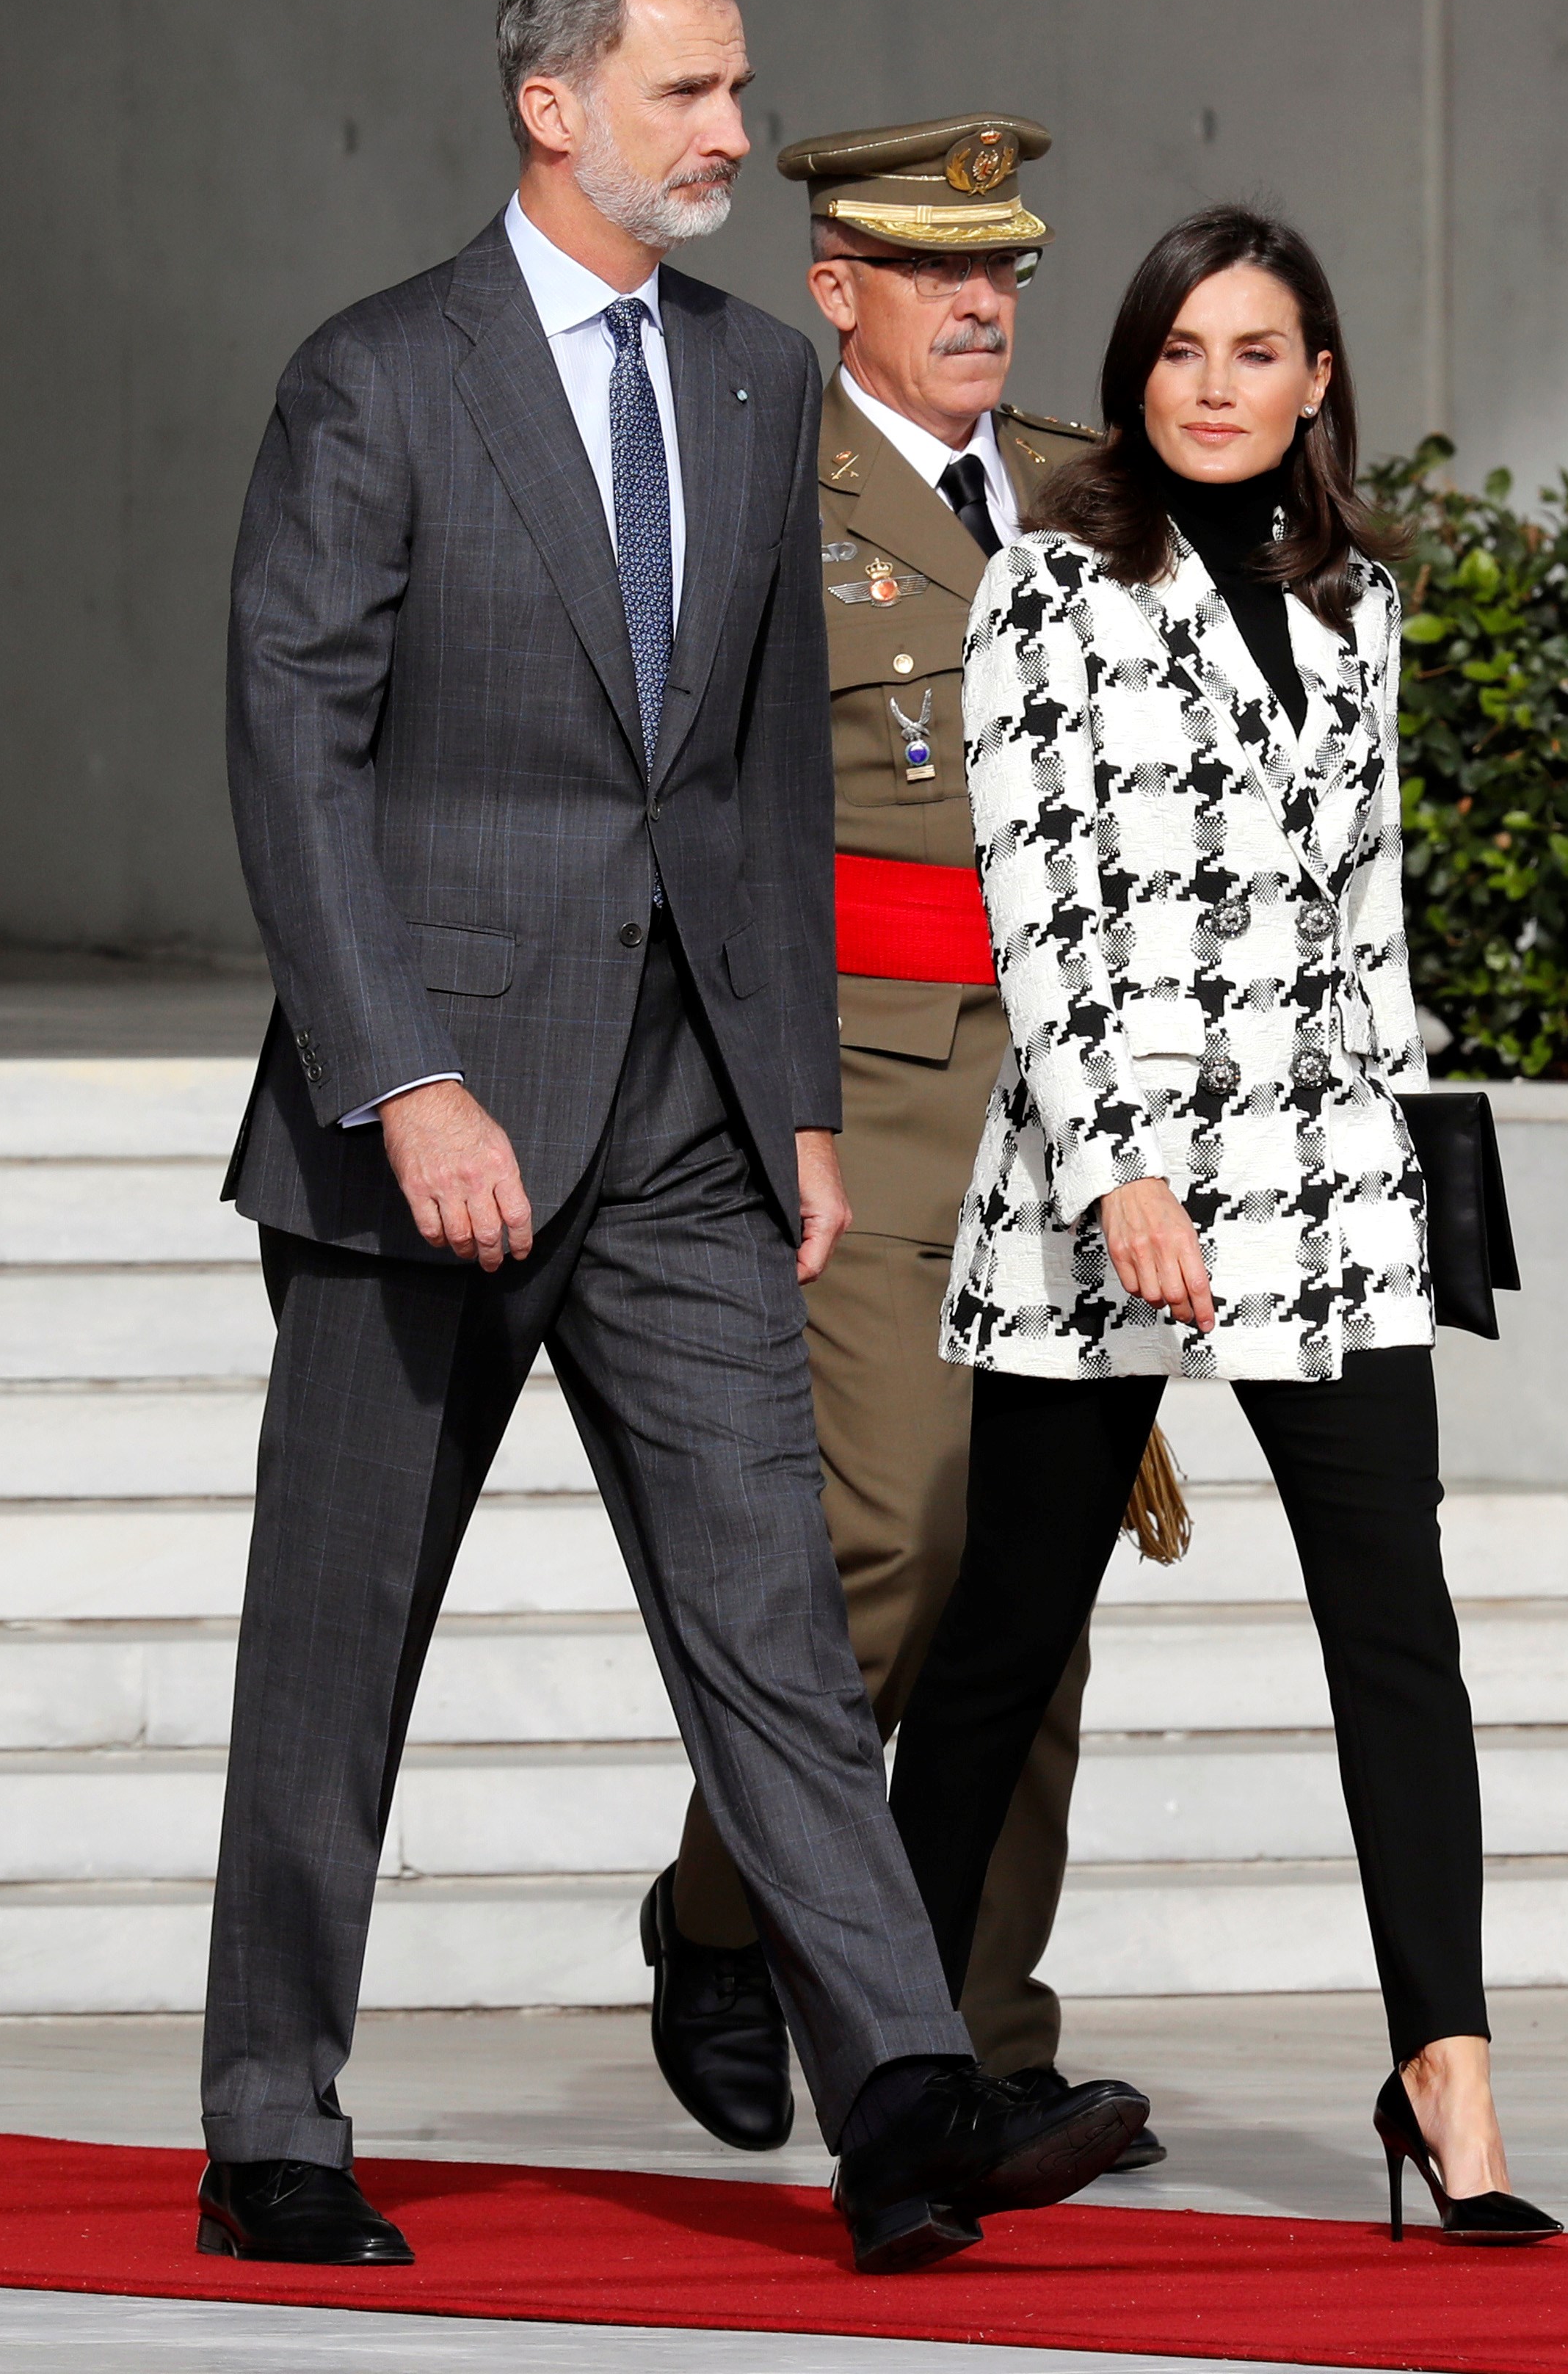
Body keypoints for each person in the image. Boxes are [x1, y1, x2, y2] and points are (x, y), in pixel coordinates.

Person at [206, 0, 1140, 2276]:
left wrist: (803, 1101)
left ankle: (900, 2092)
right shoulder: (377, 381)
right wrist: (401, 1074)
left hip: (700, 1133)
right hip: (423, 1125)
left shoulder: (747, 385)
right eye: (695, 95)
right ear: (554, 106)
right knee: (343, 1643)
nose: (735, 134)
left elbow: (744, 788)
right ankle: (269, 2116)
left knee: (776, 1629)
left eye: (736, 93)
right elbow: (295, 759)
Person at [889, 206, 1561, 2246]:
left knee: (1399, 1642)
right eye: (1181, 347)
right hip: (1114, 1177)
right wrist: (1114, 1171)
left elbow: (1370, 918)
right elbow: (1043, 905)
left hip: (1329, 1173)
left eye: (1256, 350)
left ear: (1318, 380)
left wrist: (1427, 1155)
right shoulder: (1053, 588)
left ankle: (1445, 2074)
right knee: (1005, 1635)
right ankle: (901, 2077)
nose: (1212, 383)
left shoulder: (1358, 607)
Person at [637, 112, 1158, 2174]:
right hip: (870, 1071)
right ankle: (721, 1905)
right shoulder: (769, 480)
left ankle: (981, 2035)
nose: (979, 305)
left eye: (1004, 271)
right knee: (895, 1543)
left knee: (1035, 1583)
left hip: (1069, 1094)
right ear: (833, 286)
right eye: (934, 273)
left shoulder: (1080, 494)